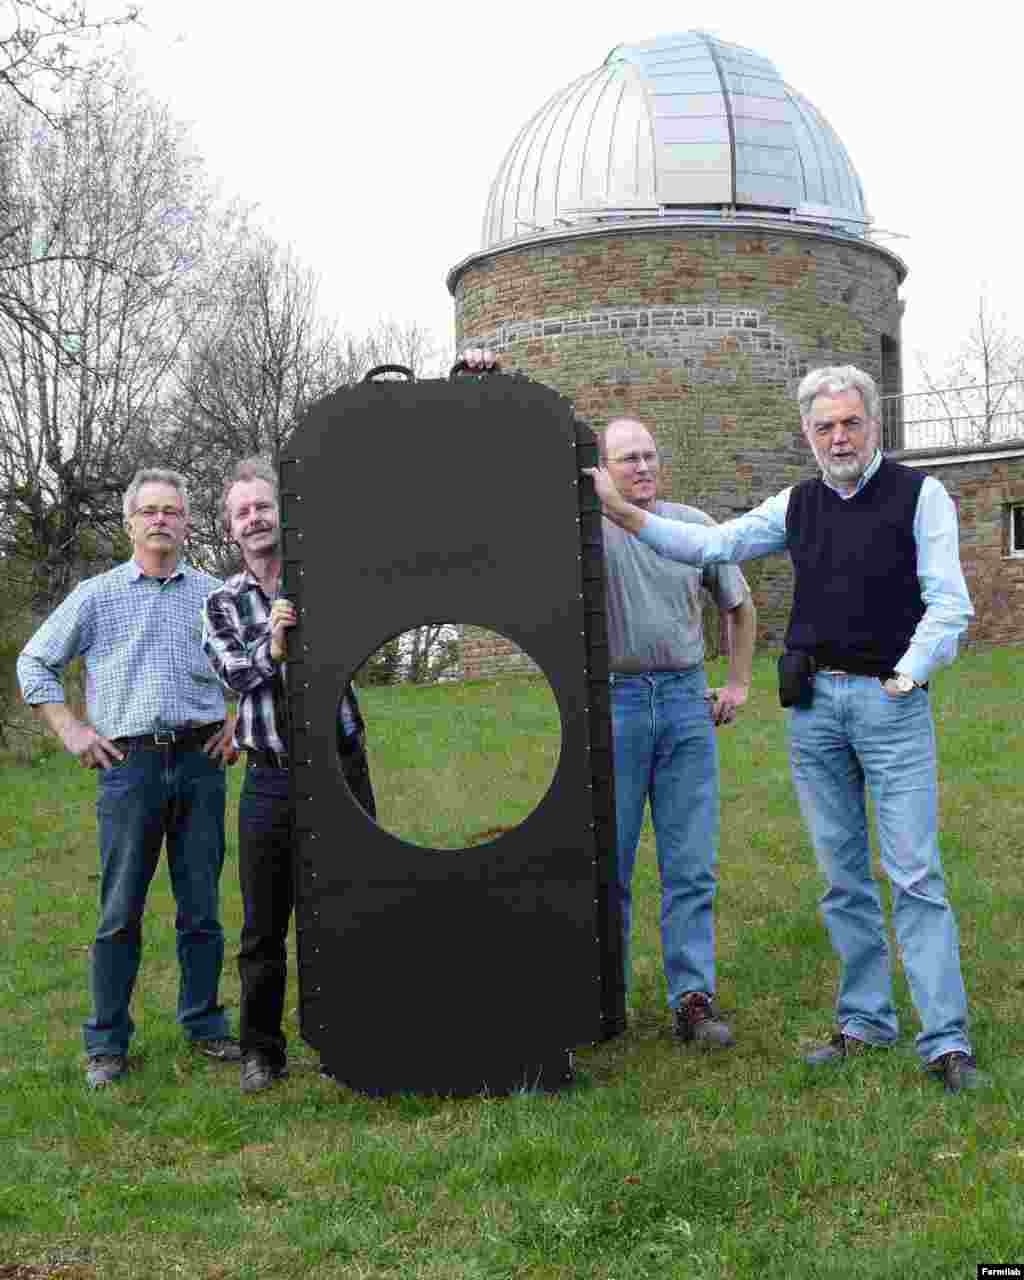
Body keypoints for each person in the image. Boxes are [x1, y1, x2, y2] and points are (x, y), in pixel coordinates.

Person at [585, 365, 985, 1093]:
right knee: (842, 880)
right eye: (825, 426)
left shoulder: (921, 496)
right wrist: (626, 515)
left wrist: (910, 671)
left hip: (892, 707)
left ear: (873, 426)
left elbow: (949, 605)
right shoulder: (796, 504)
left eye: (851, 422)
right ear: (807, 434)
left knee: (916, 876)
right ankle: (865, 1022)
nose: (839, 436)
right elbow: (715, 545)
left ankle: (946, 1042)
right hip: (814, 712)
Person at [17, 469, 240, 1089]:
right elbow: (34, 659)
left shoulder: (216, 595)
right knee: (119, 910)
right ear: (130, 522)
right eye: (149, 511)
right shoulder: (97, 595)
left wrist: (239, 721)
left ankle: (205, 1025)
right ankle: (107, 1043)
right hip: (128, 766)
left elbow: (259, 664)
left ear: (188, 522)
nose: (160, 519)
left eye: (172, 510)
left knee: (201, 907)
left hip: (201, 762)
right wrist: (71, 730)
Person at [202, 457, 376, 1095]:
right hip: (271, 779)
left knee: (358, 899)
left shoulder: (327, 577)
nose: (254, 519)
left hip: (341, 761)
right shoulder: (220, 602)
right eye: (242, 512)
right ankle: (262, 1051)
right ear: (230, 530)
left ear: (283, 513)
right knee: (263, 923)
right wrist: (272, 646)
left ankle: (358, 1033)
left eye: (263, 507)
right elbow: (233, 674)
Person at [598, 417, 757, 1047]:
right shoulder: (584, 533)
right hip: (615, 705)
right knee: (608, 861)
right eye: (628, 459)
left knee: (690, 863)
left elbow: (739, 607)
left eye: (650, 456)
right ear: (601, 470)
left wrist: (739, 684)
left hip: (688, 702)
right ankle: (604, 1001)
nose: (643, 467)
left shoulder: (691, 524)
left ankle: (692, 998)